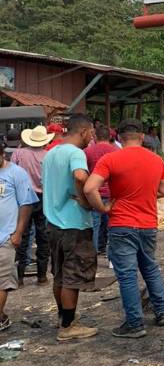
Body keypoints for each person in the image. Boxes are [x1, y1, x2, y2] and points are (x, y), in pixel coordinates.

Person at [84, 119, 164, 339]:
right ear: (142, 136)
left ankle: (135, 323)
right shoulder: (156, 159)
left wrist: (103, 208)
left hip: (122, 223)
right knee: (150, 267)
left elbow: (89, 188)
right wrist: (146, 193)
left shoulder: (111, 158)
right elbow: (163, 190)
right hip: (148, 224)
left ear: (119, 138)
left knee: (127, 275)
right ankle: (162, 312)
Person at [42, 114, 98, 342]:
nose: (91, 139)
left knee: (59, 274)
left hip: (53, 222)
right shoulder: (76, 153)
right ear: (83, 131)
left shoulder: (51, 152)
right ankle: (68, 326)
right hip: (74, 223)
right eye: (91, 134)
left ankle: (63, 317)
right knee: (73, 275)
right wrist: (86, 200)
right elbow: (80, 175)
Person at [0, 147, 38, 331]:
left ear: (2, 155)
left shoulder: (16, 173)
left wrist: (18, 232)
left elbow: (26, 203)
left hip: (5, 236)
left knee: (1, 282)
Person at [11, 124, 51, 286]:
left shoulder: (19, 153)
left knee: (22, 235)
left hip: (23, 197)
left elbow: (12, 172)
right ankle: (41, 276)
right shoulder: (48, 155)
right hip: (42, 197)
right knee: (43, 236)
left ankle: (19, 276)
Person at [85, 124, 116, 253]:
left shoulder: (87, 152)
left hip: (94, 193)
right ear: (109, 137)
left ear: (95, 136)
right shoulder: (116, 152)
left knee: (95, 224)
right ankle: (110, 254)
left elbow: (84, 172)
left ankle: (94, 252)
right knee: (111, 225)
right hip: (112, 194)